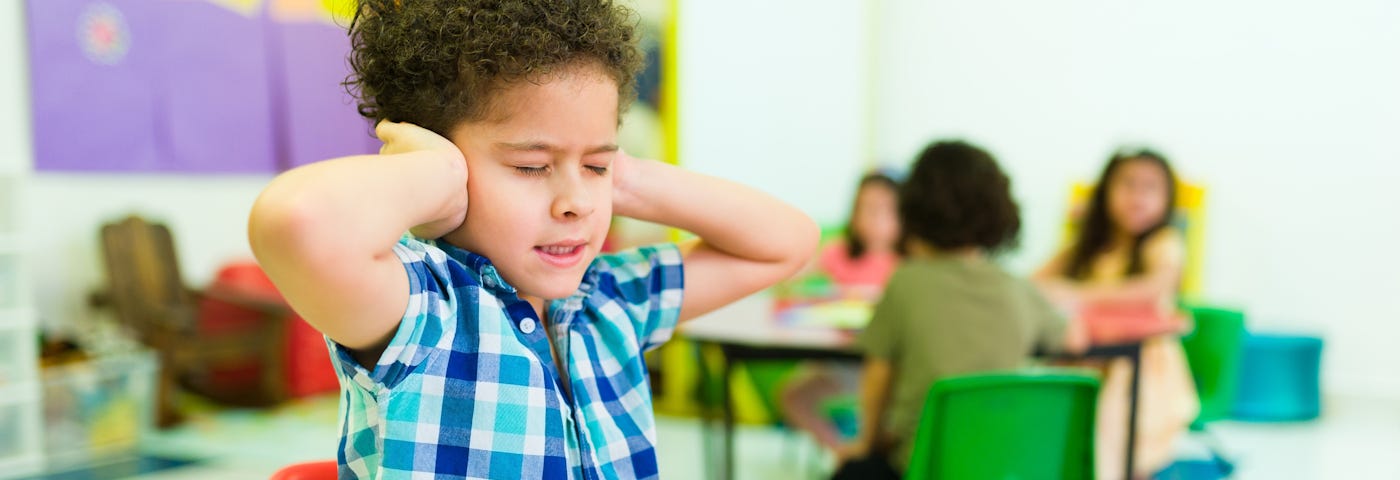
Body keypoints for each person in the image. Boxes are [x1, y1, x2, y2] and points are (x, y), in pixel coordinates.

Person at [246, 1, 819, 478]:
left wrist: (627, 177)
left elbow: (787, 241)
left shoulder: (610, 303)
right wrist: (437, 176)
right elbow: (297, 221)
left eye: (595, 166)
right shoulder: (421, 309)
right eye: (530, 166)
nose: (576, 203)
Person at [833, 141, 1087, 479]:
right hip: (1010, 466)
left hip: (926, 466)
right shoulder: (1017, 287)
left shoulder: (906, 283)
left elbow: (878, 376)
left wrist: (868, 441)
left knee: (857, 469)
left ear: (914, 208)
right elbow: (1074, 340)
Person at [1034, 147, 1199, 479]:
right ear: (1105, 191)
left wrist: (1078, 294)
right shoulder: (1087, 247)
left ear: (1167, 200)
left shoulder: (1163, 242)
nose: (1138, 197)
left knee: (1118, 428)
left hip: (1142, 365)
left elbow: (1156, 287)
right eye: (1127, 184)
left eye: (1150, 188)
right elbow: (1035, 282)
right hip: (1088, 358)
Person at [779, 172, 900, 452]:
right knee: (792, 396)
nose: (875, 218)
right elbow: (792, 280)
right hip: (838, 362)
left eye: (885, 209)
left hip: (883, 365)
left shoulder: (905, 264)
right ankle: (843, 455)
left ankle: (869, 454)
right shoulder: (838, 252)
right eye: (866, 209)